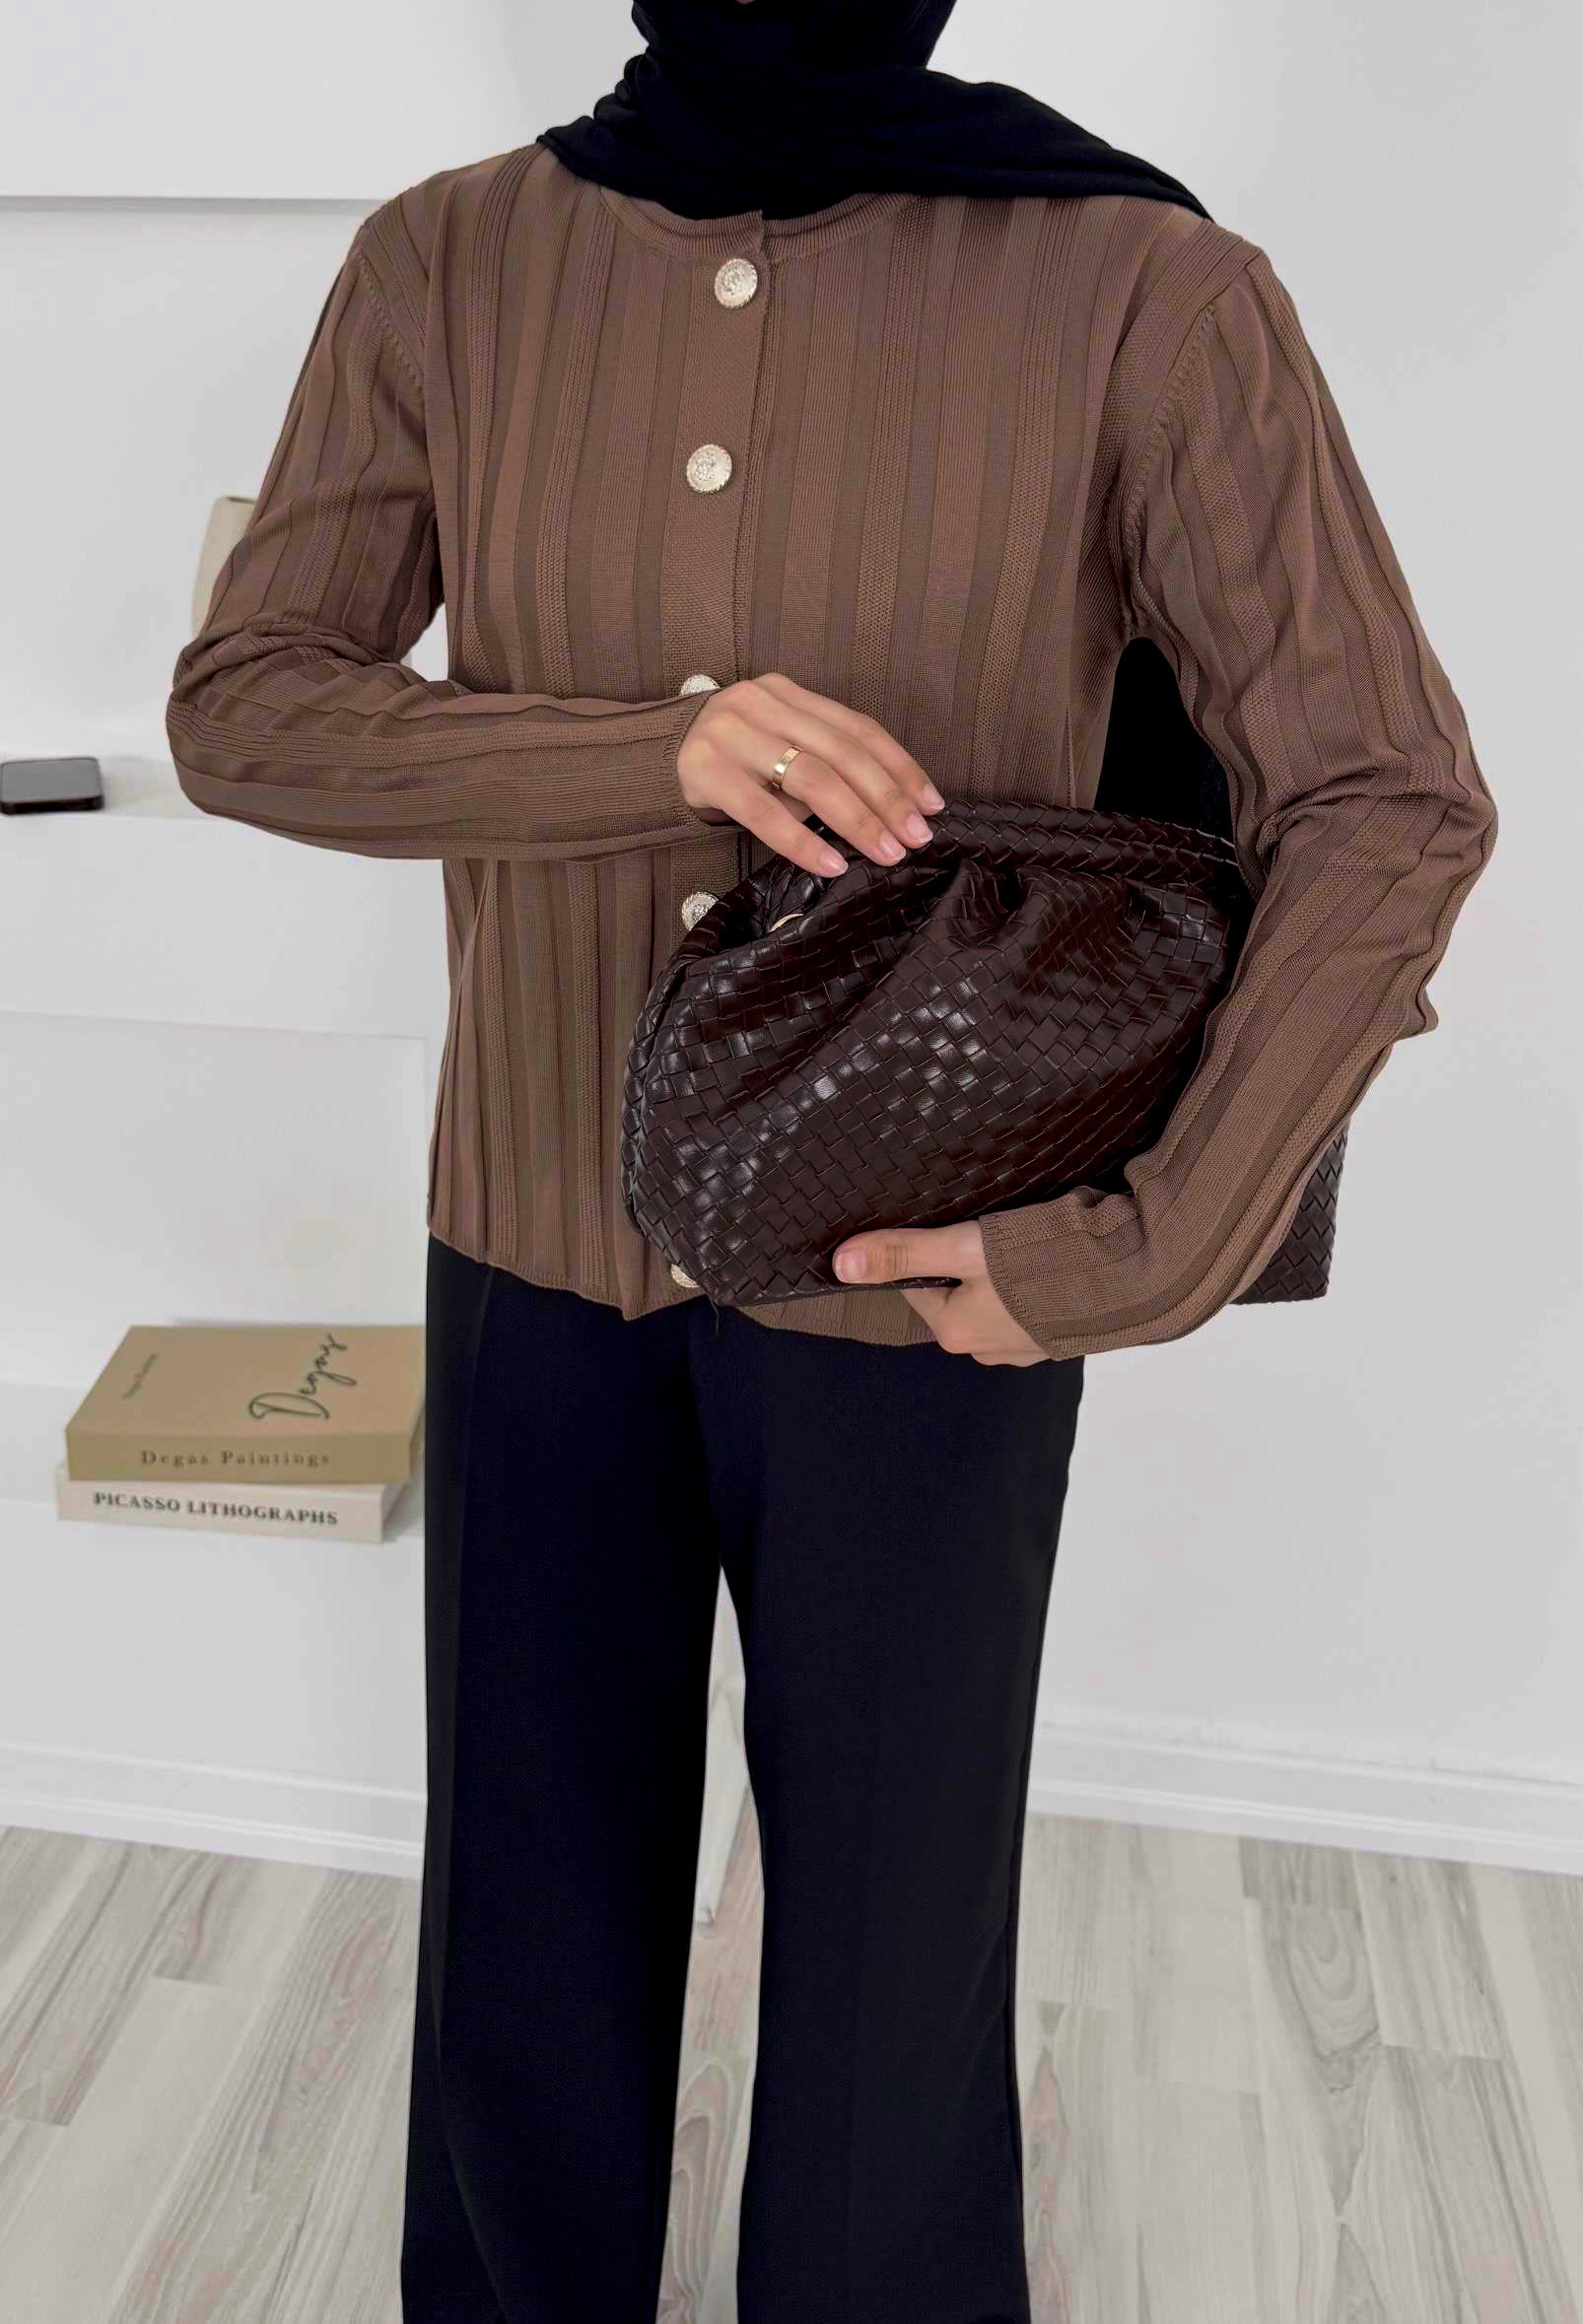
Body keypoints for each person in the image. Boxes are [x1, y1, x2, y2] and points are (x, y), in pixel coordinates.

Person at [165, 3, 1495, 2316]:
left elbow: (1383, 797)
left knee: (891, 1960)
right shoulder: (445, 260)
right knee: (523, 1922)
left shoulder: (1145, 292)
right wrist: (652, 751)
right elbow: (248, 702)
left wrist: (1141, 1248)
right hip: (532, 1245)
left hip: (931, 1279)